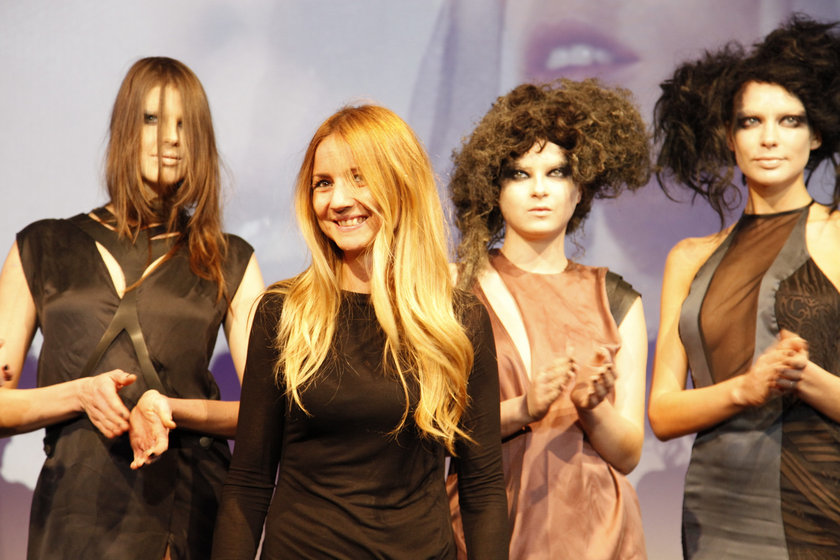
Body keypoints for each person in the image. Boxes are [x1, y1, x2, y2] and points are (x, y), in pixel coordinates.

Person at [210, 105, 508, 559]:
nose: (339, 200)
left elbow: (482, 487)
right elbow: (250, 480)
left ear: (401, 184)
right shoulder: (283, 313)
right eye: (323, 183)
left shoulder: (457, 321)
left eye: (359, 178)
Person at [0, 57, 264, 559]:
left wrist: (171, 409)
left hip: (185, 510)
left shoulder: (228, 257)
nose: (172, 138)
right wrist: (79, 394)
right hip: (73, 511)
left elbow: (264, 412)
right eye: (152, 119)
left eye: (185, 125)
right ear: (125, 126)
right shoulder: (41, 246)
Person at [650, 15, 840, 559]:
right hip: (715, 512)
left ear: (817, 133)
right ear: (730, 139)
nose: (769, 138)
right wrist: (745, 388)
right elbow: (662, 413)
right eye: (751, 122)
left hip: (819, 507)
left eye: (790, 120)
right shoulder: (689, 257)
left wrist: (803, 377)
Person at [447, 79, 650, 559]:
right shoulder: (455, 286)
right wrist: (524, 408)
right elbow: (433, 429)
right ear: (493, 189)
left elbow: (628, 453)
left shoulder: (616, 299)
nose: (539, 189)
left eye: (556, 173)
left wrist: (592, 408)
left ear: (580, 190)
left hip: (598, 535)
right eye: (519, 174)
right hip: (487, 527)